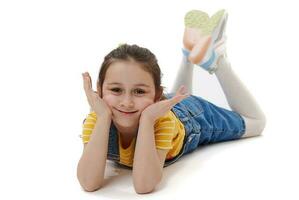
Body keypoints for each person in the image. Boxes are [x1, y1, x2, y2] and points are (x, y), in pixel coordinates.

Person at [77, 9, 266, 194]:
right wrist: (103, 118)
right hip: (161, 104)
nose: (127, 102)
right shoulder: (97, 120)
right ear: (100, 89)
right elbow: (88, 183)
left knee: (256, 122)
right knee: (179, 94)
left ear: (158, 94)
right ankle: (189, 54)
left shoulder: (162, 122)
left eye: (139, 91)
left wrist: (148, 120)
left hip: (189, 117)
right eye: (116, 90)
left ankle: (216, 61)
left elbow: (143, 186)